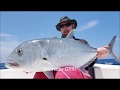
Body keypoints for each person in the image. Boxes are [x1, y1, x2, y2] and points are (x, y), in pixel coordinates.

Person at [33, 16, 109, 79]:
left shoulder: (82, 42)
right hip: (56, 71)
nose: (65, 27)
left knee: (66, 73)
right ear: (60, 29)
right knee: (39, 75)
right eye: (62, 26)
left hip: (77, 72)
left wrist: (97, 54)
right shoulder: (53, 44)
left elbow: (90, 63)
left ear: (72, 26)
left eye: (67, 24)